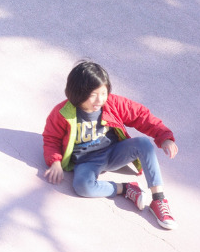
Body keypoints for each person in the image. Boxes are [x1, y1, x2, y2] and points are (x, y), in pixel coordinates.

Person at [42, 60, 178, 230]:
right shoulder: (63, 112)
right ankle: (127, 189)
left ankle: (159, 200)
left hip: (114, 152)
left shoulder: (112, 103)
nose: (100, 99)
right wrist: (55, 161)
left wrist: (164, 136)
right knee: (82, 186)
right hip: (86, 161)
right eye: (93, 94)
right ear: (77, 92)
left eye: (104, 92)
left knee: (143, 143)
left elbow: (141, 115)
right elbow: (51, 139)